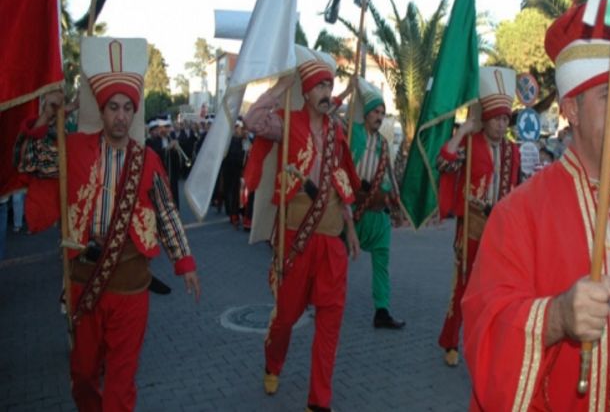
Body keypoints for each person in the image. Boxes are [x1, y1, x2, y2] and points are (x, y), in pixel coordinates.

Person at [462, 2, 610, 411]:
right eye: (609, 96)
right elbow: (486, 327)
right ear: (570, 109)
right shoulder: (518, 213)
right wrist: (556, 318)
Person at [14, 38, 200, 411]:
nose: (119, 115)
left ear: (134, 112)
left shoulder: (146, 159)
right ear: (102, 110)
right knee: (82, 376)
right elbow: (27, 161)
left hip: (131, 285)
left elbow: (165, 213)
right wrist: (45, 120)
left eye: (126, 108)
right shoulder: (75, 149)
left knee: (121, 380)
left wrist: (185, 262)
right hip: (85, 281)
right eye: (113, 107)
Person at [243, 51, 361, 412]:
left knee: (331, 317)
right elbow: (252, 120)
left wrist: (351, 228)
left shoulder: (336, 130)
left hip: (332, 237)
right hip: (296, 234)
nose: (327, 91)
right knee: (287, 317)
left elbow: (340, 181)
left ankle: (319, 400)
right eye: (320, 86)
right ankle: (272, 361)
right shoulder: (286, 123)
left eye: (330, 84)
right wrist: (282, 85)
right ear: (307, 92)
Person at [436, 66, 521, 367]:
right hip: (471, 225)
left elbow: (515, 187)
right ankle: (450, 340)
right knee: (463, 286)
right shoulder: (471, 144)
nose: (500, 125)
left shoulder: (513, 151)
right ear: (484, 119)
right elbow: (444, 163)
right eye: (496, 118)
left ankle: (486, 340)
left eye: (504, 119)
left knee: (496, 288)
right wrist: (462, 133)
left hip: (499, 229)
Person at [348, 78, 406, 329]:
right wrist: (346, 92)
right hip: (350, 210)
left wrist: (393, 200)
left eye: (382, 113)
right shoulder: (352, 132)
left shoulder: (383, 144)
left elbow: (387, 175)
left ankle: (381, 310)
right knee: (334, 261)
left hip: (376, 210)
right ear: (366, 113)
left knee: (382, 260)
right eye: (375, 112)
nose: (379, 117)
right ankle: (322, 301)